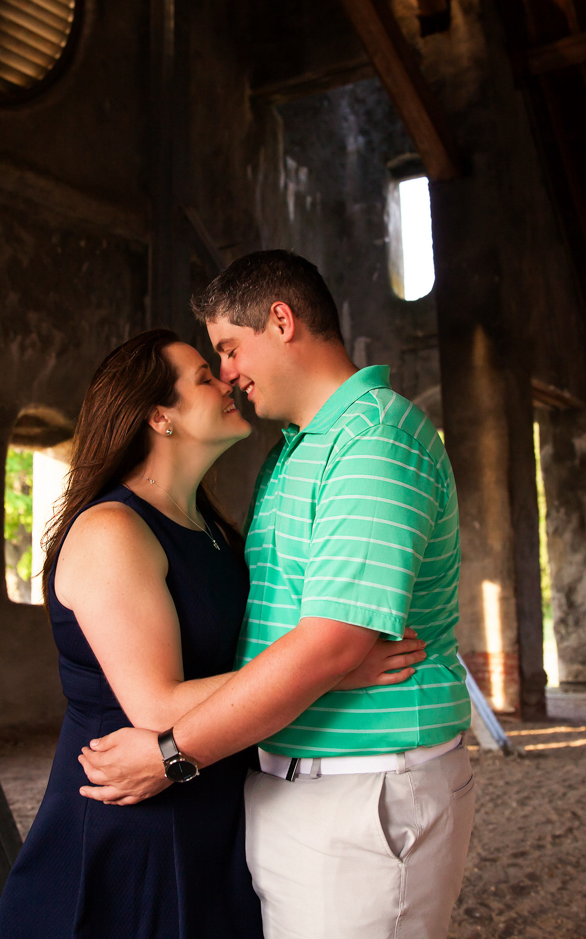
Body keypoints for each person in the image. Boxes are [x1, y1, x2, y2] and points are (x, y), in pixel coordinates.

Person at [78, 250, 476, 939]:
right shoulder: (294, 451)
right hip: (286, 785)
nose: (228, 375)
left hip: (363, 789)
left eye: (229, 348)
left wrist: (173, 754)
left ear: (282, 321)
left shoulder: (373, 439)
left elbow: (329, 646)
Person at [0, 327, 428, 939]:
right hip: (135, 823)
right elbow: (154, 705)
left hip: (213, 805)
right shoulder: (112, 531)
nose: (227, 381)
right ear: (158, 417)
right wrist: (335, 669)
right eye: (204, 376)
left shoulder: (212, 528)